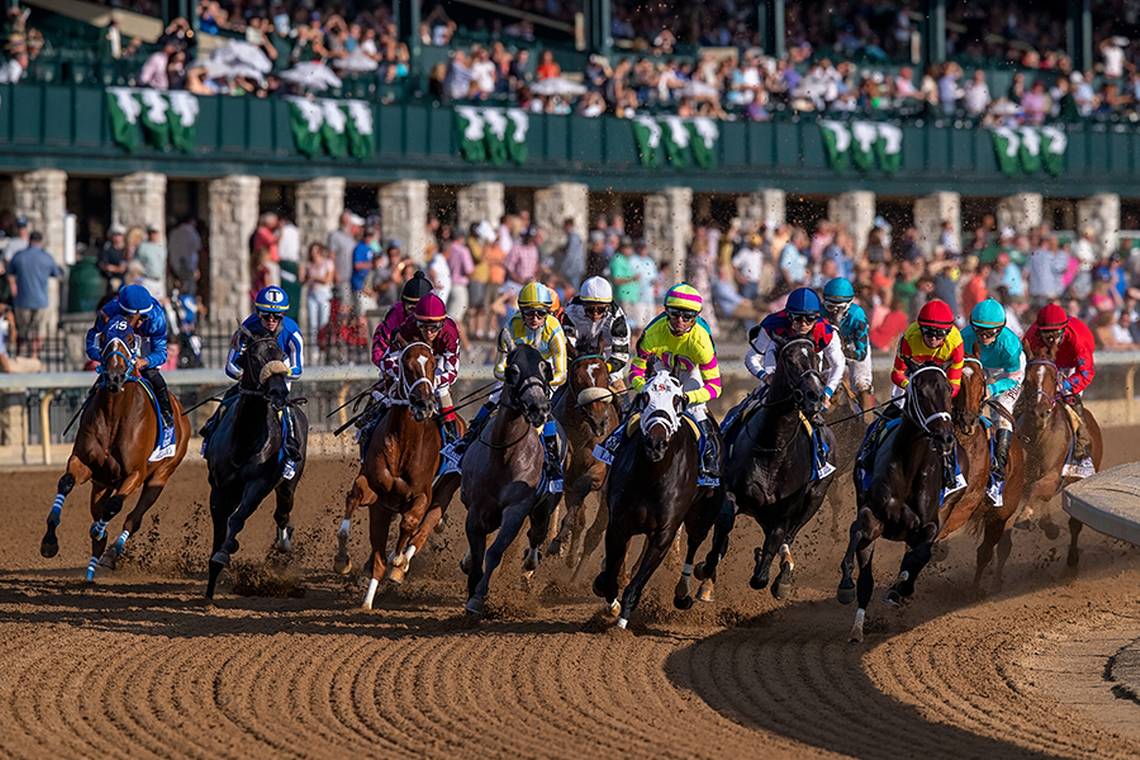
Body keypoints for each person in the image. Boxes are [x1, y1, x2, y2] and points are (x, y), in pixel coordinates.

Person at [442, 281, 568, 492]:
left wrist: (536, 382)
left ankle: (554, 463)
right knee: (492, 401)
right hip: (516, 380)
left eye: (539, 313)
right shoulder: (511, 326)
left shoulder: (555, 330)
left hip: (543, 381)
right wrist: (516, 379)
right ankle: (465, 444)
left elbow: (561, 373)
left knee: (544, 413)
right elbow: (499, 368)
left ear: (547, 312)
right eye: (529, 313)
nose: (534, 319)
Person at [596, 283, 722, 486]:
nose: (680, 321)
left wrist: (689, 398)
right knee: (645, 405)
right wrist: (643, 388)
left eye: (687, 316)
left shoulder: (702, 343)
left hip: (690, 373)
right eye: (674, 314)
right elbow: (636, 371)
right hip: (662, 368)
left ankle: (709, 460)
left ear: (696, 317)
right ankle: (615, 442)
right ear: (666, 312)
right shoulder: (653, 332)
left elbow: (715, 386)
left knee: (698, 410)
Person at [732, 287, 845, 479]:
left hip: (807, 376)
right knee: (741, 412)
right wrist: (764, 376)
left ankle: (820, 460)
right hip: (776, 372)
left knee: (815, 420)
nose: (803, 324)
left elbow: (838, 364)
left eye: (809, 319)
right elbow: (752, 357)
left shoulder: (825, 331)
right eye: (797, 318)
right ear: (788, 315)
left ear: (817, 317)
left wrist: (826, 392)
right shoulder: (773, 324)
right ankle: (724, 449)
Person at [861, 299, 966, 497]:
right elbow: (897, 374)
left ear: (948, 332)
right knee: (888, 416)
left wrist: (935, 399)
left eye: (939, 335)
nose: (933, 339)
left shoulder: (956, 343)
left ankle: (953, 472)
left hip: (938, 386)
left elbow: (954, 386)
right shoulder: (909, 337)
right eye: (928, 333)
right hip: (912, 381)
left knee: (945, 424)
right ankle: (867, 456)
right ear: (920, 329)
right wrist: (913, 389)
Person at [200, 286, 305, 479]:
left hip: (279, 381)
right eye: (266, 317)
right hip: (251, 381)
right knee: (228, 400)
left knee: (284, 410)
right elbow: (230, 365)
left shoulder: (292, 332)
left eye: (277, 317)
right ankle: (210, 432)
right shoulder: (248, 328)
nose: (272, 321)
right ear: (259, 314)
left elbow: (298, 369)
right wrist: (247, 378)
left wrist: (280, 372)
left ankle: (290, 451)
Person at [362, 293, 461, 457]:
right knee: (389, 387)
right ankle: (370, 425)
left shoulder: (450, 332)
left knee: (442, 392)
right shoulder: (409, 326)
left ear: (442, 323)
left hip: (437, 363)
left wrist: (429, 381)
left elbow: (452, 372)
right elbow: (388, 359)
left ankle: (453, 443)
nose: (428, 332)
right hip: (414, 362)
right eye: (423, 327)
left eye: (434, 328)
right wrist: (404, 376)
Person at [84, 284, 176, 458]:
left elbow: (161, 352)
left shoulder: (155, 318)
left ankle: (167, 421)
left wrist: (145, 361)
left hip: (145, 346)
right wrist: (106, 357)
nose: (142, 321)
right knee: (103, 382)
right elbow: (91, 343)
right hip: (117, 350)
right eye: (137, 318)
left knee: (154, 377)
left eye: (144, 317)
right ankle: (86, 416)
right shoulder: (107, 313)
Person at [960, 299, 1025, 506]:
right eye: (980, 332)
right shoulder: (965, 336)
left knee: (1001, 417)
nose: (984, 337)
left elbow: (1014, 375)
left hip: (1006, 374)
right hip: (978, 369)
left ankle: (998, 471)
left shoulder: (1010, 344)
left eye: (990, 333)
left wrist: (993, 389)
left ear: (1001, 329)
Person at [1022, 303, 1097, 478]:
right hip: (1046, 364)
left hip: (1071, 366)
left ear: (1063, 330)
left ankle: (1082, 448)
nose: (1050, 339)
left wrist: (1063, 386)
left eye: (1055, 334)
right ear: (1039, 331)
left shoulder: (1077, 338)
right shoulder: (1032, 336)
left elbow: (1086, 373)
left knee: (1070, 401)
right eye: (1046, 334)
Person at [560, 276, 631, 394]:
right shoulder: (571, 311)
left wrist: (605, 368)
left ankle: (628, 411)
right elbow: (568, 345)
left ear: (608, 306)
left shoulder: (617, 319)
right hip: (579, 355)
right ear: (583, 304)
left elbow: (621, 355)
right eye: (590, 309)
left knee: (620, 389)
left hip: (608, 355)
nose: (595, 314)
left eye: (601, 309)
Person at [7, 231, 62, 359]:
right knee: (39, 331)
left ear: (29, 240)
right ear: (41, 241)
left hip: (22, 300)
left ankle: (19, 355)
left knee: (22, 330)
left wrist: (13, 288)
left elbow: (9, 273)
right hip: (41, 300)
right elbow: (57, 273)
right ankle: (34, 356)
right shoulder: (46, 257)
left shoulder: (19, 256)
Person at [823, 278, 874, 413]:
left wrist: (844, 353)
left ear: (849, 304)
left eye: (838, 308)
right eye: (829, 307)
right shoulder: (819, 313)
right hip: (828, 346)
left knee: (861, 383)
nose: (833, 312)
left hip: (852, 346)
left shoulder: (858, 316)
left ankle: (868, 421)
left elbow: (861, 353)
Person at [370, 270, 434, 367]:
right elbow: (379, 351)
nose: (415, 315)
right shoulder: (396, 313)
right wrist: (392, 368)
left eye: (420, 309)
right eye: (411, 308)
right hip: (400, 365)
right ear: (404, 305)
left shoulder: (438, 317)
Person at [134, 224, 167, 299]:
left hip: (159, 280)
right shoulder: (143, 247)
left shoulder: (161, 247)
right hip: (147, 280)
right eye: (152, 232)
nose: (154, 235)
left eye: (155, 232)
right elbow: (136, 264)